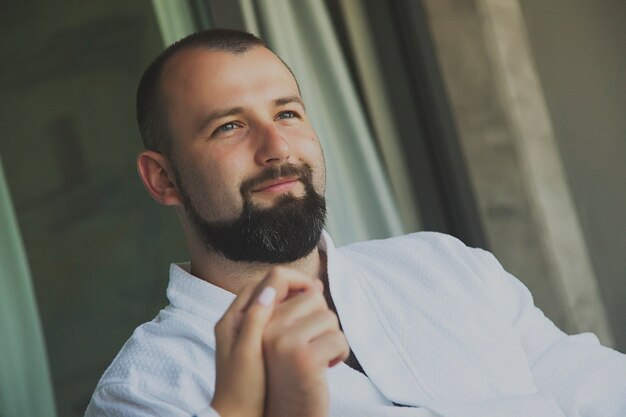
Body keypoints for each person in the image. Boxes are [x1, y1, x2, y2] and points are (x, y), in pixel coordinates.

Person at [85, 28, 626, 417]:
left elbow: (600, 393)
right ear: (163, 180)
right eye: (229, 126)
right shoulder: (146, 393)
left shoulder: (446, 267)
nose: (276, 148)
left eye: (287, 113)